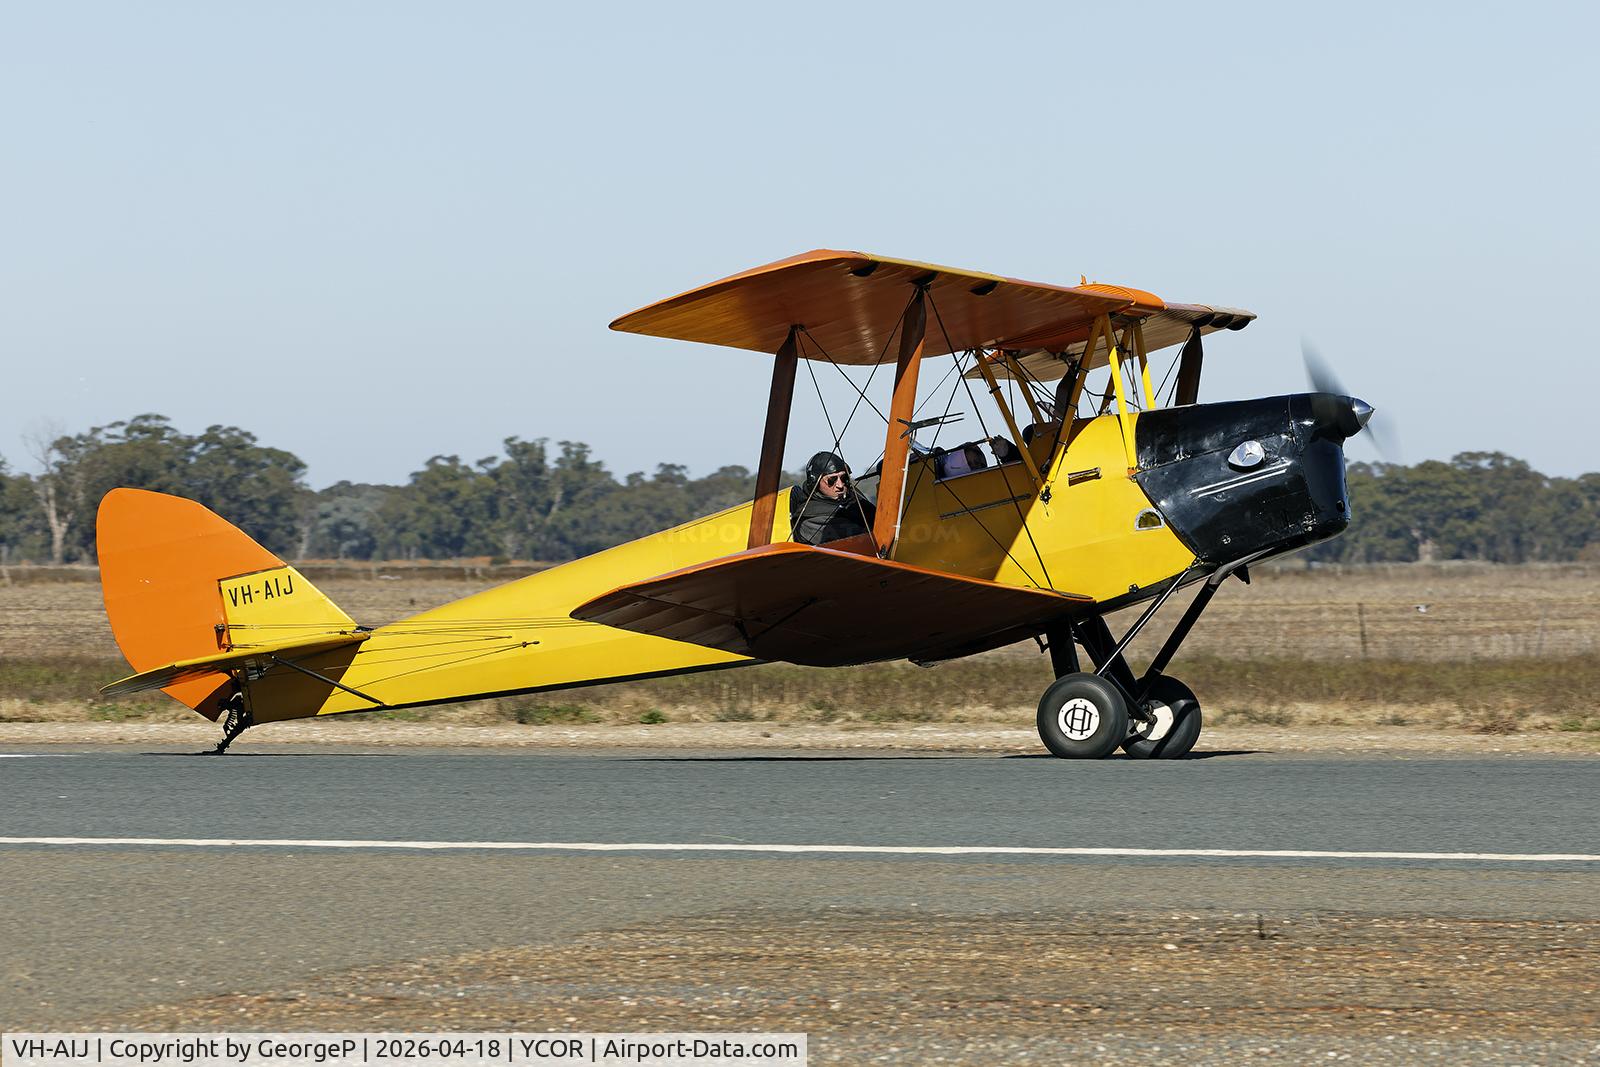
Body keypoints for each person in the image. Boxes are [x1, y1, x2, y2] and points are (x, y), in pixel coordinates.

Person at [789, 451, 876, 546]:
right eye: (832, 480)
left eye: (844, 478)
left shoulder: (853, 497)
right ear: (815, 482)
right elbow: (860, 541)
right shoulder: (810, 519)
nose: (840, 485)